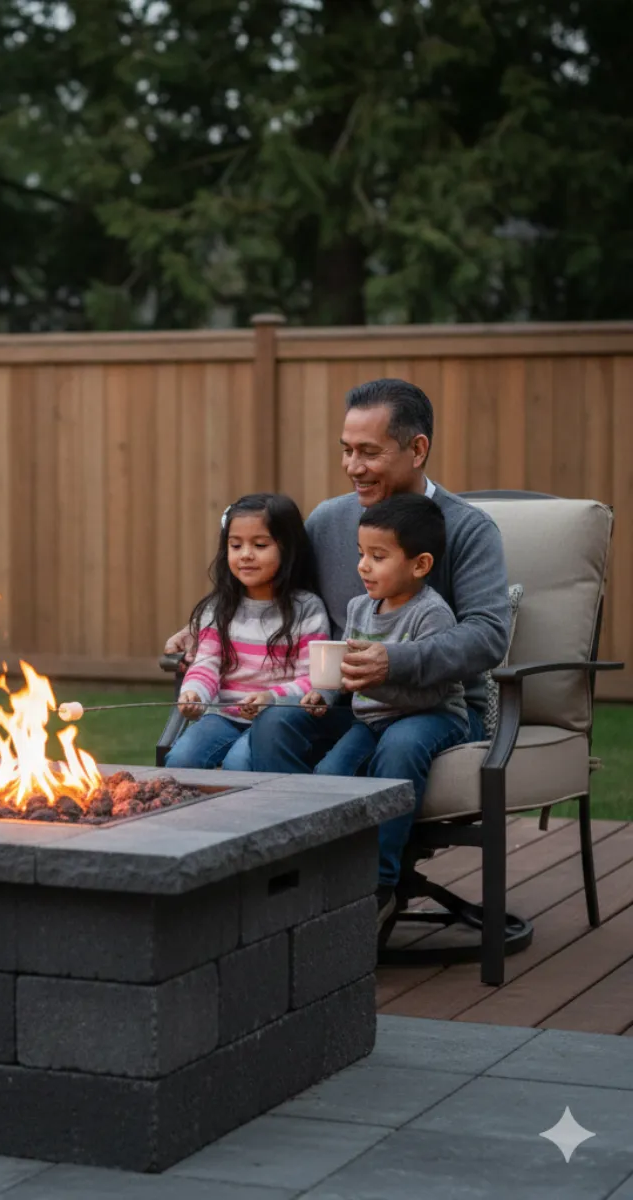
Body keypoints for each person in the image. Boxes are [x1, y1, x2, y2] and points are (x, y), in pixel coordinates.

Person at [164, 379, 509, 928]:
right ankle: (293, 874)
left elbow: (488, 635)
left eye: (369, 452)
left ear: (417, 449)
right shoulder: (328, 521)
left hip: (430, 706)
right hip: (341, 700)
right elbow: (275, 595)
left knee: (400, 741)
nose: (353, 466)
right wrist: (202, 629)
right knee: (277, 725)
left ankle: (374, 889)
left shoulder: (467, 529)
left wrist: (394, 662)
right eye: (346, 450)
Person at [311, 496, 471, 934]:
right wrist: (323, 693)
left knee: (399, 750)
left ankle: (383, 883)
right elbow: (345, 668)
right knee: (330, 773)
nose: (363, 566)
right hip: (373, 717)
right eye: (361, 553)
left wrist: (371, 683)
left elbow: (434, 690)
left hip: (433, 714)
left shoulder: (431, 614)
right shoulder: (359, 608)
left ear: (420, 565)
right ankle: (336, 876)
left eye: (378, 557)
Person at [166, 493, 330, 772]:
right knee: (181, 759)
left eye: (260, 545)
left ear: (288, 548)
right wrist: (194, 694)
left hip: (276, 721)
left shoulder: (307, 609)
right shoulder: (218, 608)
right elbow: (206, 664)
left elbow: (313, 678)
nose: (246, 555)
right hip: (223, 716)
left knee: (238, 764)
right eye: (236, 545)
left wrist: (271, 697)